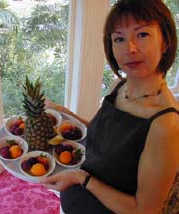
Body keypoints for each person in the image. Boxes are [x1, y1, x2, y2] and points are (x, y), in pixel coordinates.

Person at [40, 0, 179, 213]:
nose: (129, 49)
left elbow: (144, 210)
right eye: (119, 39)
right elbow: (102, 137)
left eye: (142, 35)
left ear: (166, 41)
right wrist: (64, 112)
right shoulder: (119, 87)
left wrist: (81, 179)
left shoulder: (165, 123)